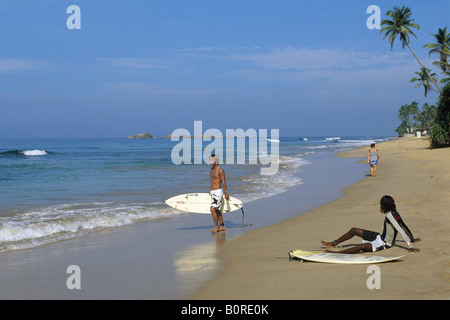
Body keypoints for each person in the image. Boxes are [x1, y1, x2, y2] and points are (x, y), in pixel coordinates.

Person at [321, 195, 421, 254]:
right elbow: (404, 226)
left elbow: (401, 229)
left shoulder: (391, 215)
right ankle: (333, 243)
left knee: (361, 247)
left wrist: (410, 246)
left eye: (381, 204)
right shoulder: (395, 213)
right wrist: (412, 238)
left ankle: (337, 254)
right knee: (354, 230)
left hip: (384, 243)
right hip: (379, 237)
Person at [209, 154, 229, 233]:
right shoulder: (211, 170)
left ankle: (216, 227)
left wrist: (226, 192)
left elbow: (223, 182)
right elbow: (212, 181)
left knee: (212, 209)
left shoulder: (220, 170)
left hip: (218, 192)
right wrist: (210, 189)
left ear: (216, 161)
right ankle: (222, 225)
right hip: (213, 192)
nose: (210, 162)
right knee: (217, 210)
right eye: (210, 160)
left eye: (212, 160)